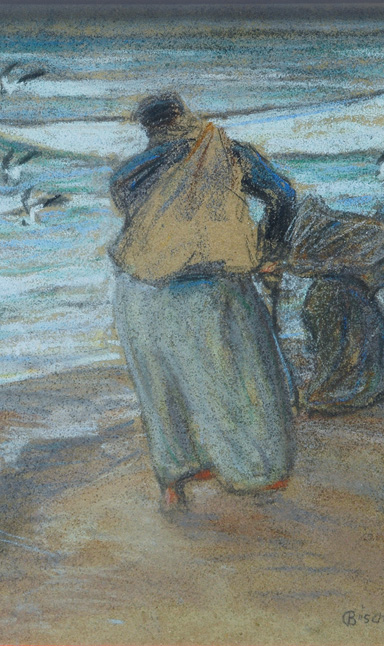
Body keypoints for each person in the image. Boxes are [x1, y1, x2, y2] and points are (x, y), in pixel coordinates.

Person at [108, 92, 297, 510]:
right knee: (239, 379)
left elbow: (135, 215)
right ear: (184, 114)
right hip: (212, 285)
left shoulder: (129, 172)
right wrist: (270, 252)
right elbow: (283, 195)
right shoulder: (227, 150)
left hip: (139, 290)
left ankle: (176, 477)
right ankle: (255, 473)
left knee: (161, 387)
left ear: (148, 127)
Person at [288, 197, 384, 415]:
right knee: (355, 347)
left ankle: (327, 394)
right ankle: (337, 396)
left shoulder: (351, 235)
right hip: (349, 298)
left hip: (318, 295)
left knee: (336, 349)